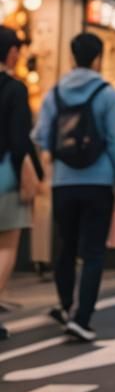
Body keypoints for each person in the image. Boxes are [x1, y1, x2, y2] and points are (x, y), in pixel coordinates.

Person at [32, 32, 115, 342]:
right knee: (93, 252)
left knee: (64, 247)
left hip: (63, 181)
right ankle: (82, 317)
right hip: (98, 181)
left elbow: (40, 137)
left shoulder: (55, 93)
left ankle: (66, 306)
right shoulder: (106, 94)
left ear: (72, 57)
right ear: (98, 58)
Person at [0, 27, 44, 338]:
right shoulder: (14, 89)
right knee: (5, 246)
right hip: (5, 177)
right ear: (11, 52)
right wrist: (34, 175)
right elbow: (20, 142)